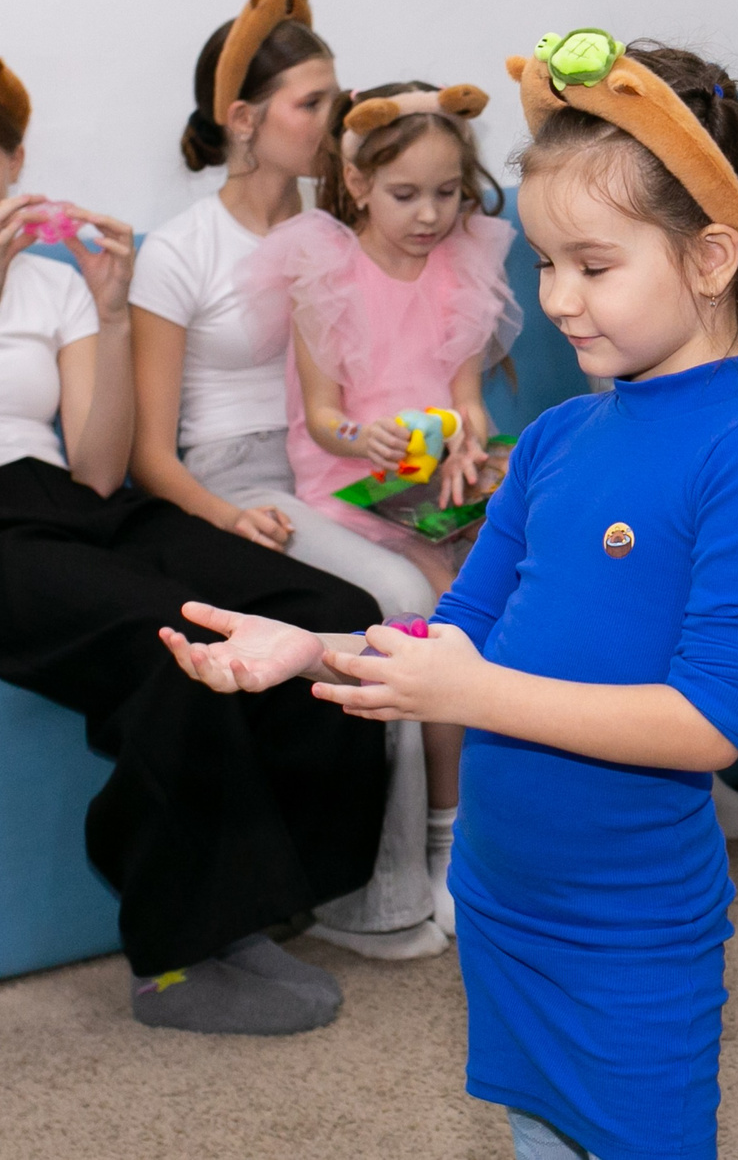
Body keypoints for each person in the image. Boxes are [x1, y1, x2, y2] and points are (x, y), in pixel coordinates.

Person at [163, 34, 738, 1160]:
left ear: (710, 257)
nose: (557, 299)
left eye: (594, 265)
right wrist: (311, 648)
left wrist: (476, 689)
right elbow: (456, 631)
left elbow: (708, 724)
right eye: (546, 264)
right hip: (508, 897)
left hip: (626, 921)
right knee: (534, 1138)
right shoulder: (561, 434)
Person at [0, 35, 386, 1035]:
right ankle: (174, 954)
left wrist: (113, 313)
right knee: (177, 641)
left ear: (15, 165)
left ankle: (292, 883)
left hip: (69, 503)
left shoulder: (55, 285)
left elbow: (94, 466)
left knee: (328, 607)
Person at [129, 0, 444, 959]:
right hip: (236, 480)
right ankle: (382, 889)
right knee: (394, 595)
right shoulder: (179, 252)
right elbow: (150, 455)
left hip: (334, 457)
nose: (332, 118)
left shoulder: (339, 229)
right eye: (314, 101)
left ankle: (455, 843)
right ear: (243, 117)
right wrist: (224, 518)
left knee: (471, 566)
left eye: (333, 97)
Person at [240, 74, 521, 937]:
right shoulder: (323, 267)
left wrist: (470, 442)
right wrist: (364, 438)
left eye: (446, 193)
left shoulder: (463, 264)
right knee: (439, 611)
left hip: (438, 475)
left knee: (528, 573)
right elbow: (322, 416)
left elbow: (468, 397)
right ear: (358, 184)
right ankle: (445, 834)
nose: (430, 214)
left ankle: (510, 819)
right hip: (352, 479)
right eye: (406, 194)